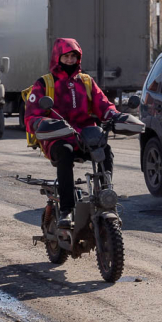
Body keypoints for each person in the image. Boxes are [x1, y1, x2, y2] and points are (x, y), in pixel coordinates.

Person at [25, 38, 119, 229]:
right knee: (65, 152)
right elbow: (31, 116)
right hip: (56, 137)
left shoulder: (85, 81)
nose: (69, 60)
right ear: (57, 57)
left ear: (78, 58)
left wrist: (115, 116)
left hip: (85, 136)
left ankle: (104, 197)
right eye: (66, 56)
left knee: (105, 150)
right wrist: (41, 122)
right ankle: (66, 210)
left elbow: (103, 105)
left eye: (73, 56)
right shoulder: (44, 83)